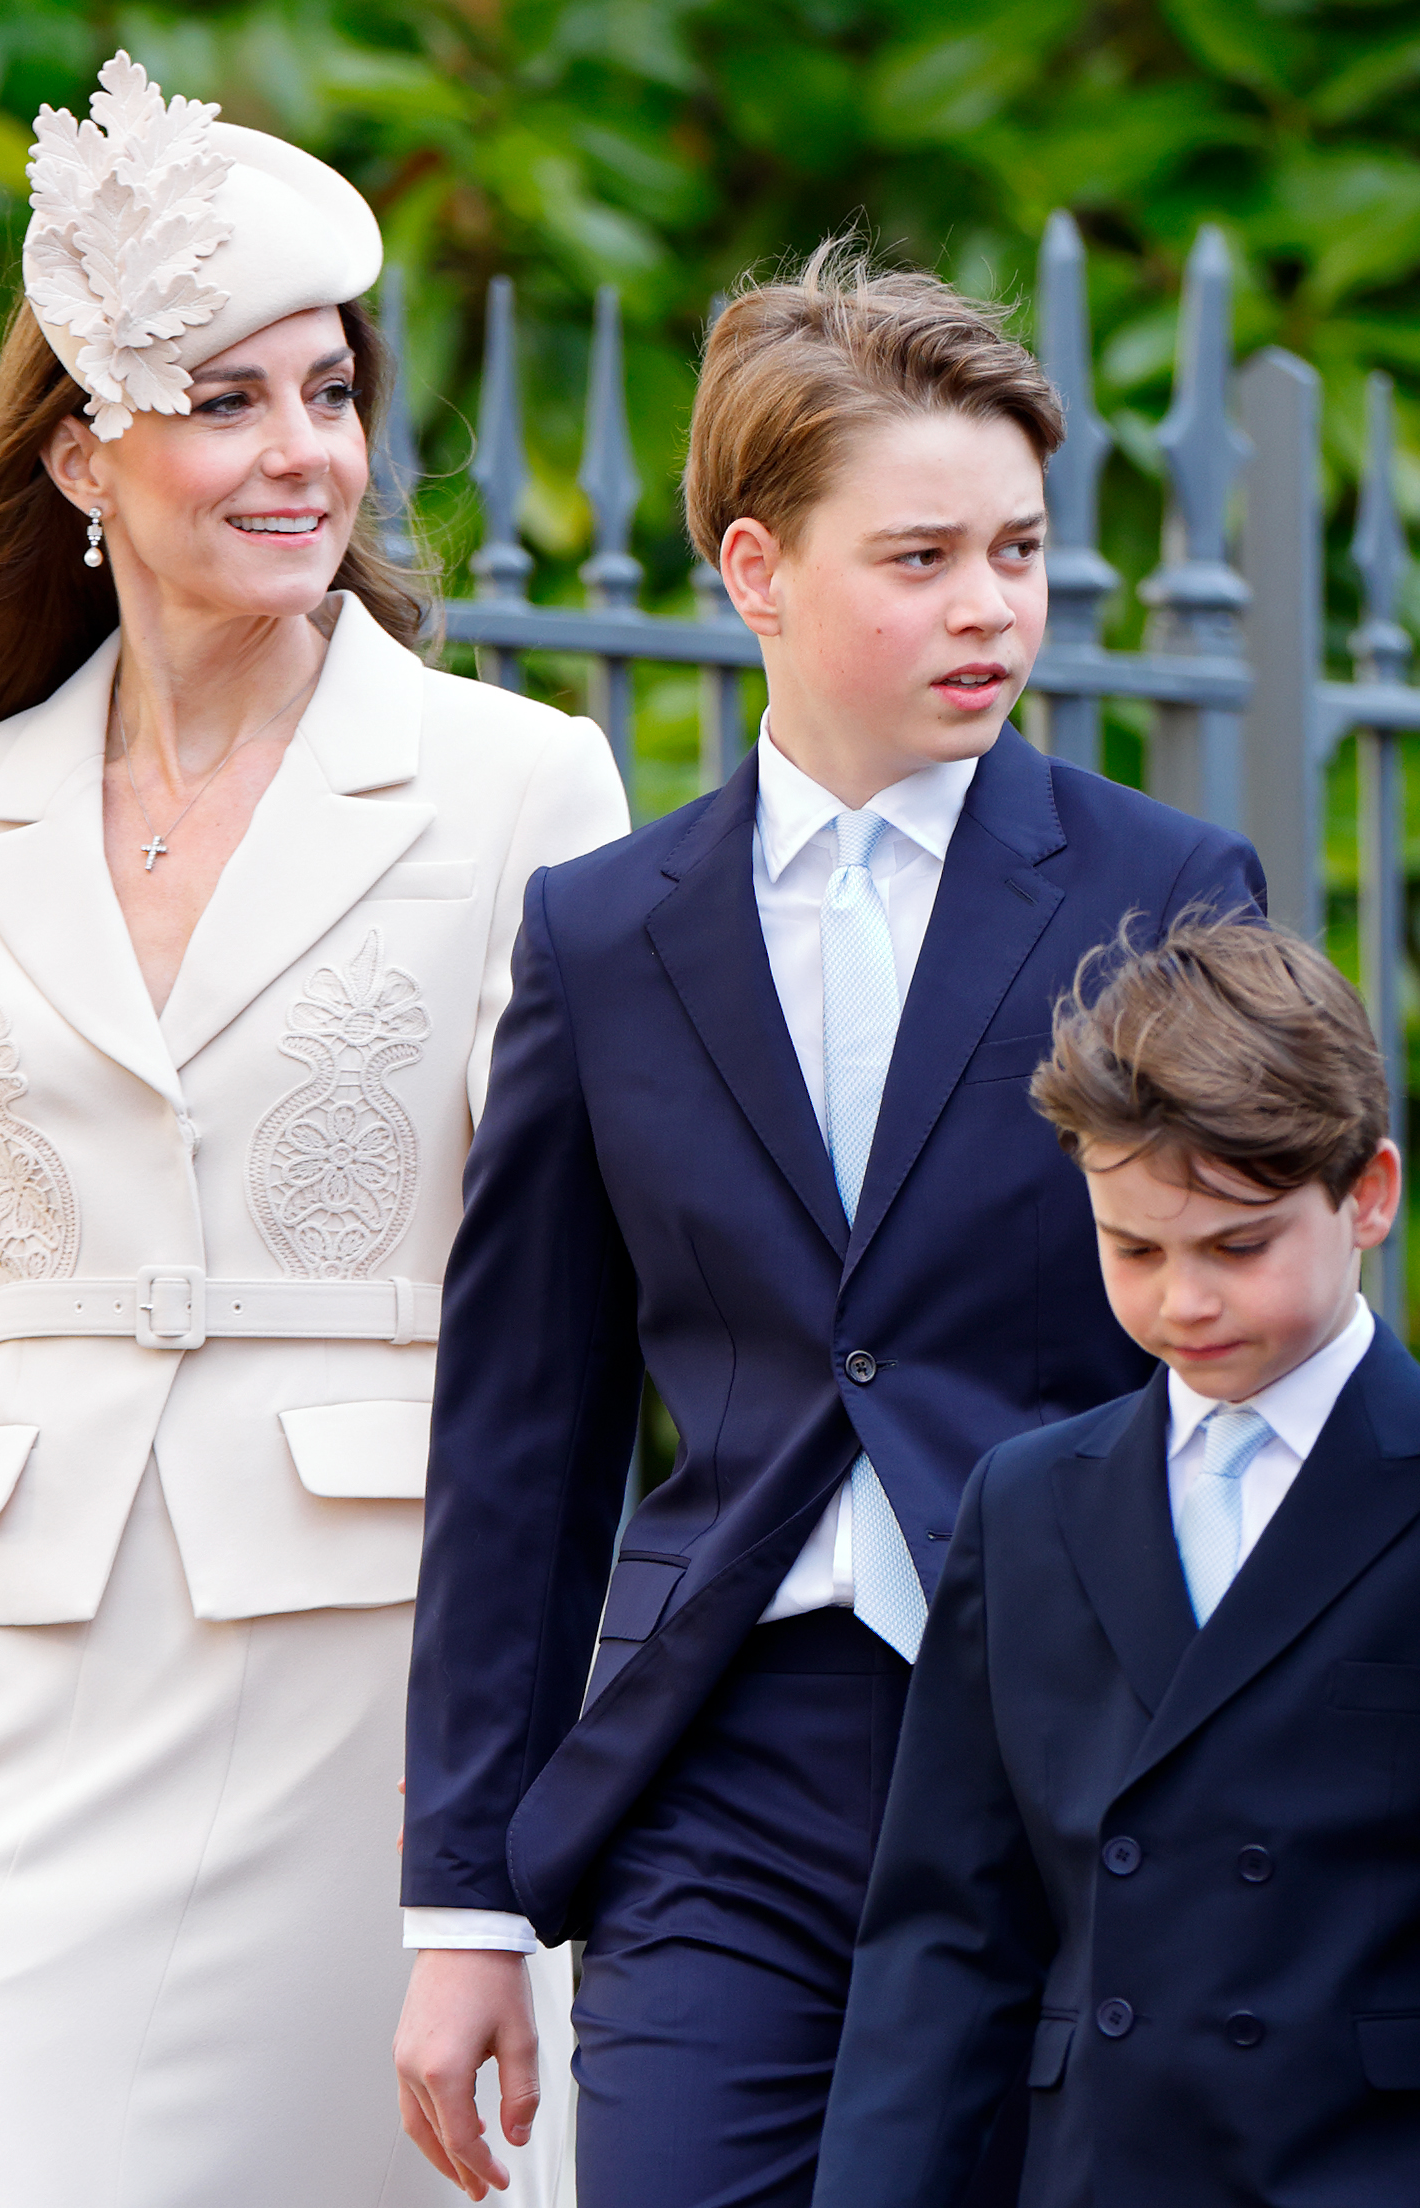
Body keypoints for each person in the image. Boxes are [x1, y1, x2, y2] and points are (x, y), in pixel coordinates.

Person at [0, 53, 626, 2208]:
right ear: (85, 449)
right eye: (230, 400)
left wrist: (502, 1842)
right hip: (28, 1700)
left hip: (368, 1699)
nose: (308, 455)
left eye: (333, 391)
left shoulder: (517, 786)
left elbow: (573, 1329)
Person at [394, 247, 1267, 2208]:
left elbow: (1245, 1347)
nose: (993, 609)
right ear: (754, 567)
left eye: (1023, 552)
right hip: (724, 1770)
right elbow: (525, 1433)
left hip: (1084, 1744)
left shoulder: (1171, 891)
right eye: (924, 557)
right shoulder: (606, 937)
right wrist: (460, 1906)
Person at [812, 918, 1416, 2208]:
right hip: (1107, 2173)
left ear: (1367, 1195)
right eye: (1132, 1250)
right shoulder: (1028, 1505)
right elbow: (945, 1933)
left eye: (1238, 1247)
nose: (1181, 1302)